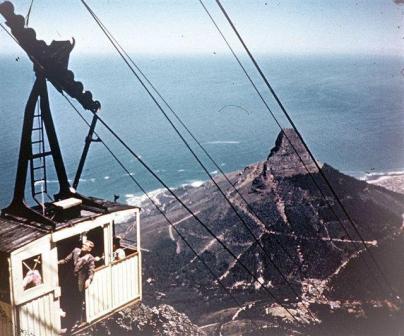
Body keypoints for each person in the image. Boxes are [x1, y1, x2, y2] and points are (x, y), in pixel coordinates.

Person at [58, 240, 95, 330]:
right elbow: (66, 260)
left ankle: (77, 321)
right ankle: (68, 318)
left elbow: (91, 271)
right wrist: (57, 262)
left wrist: (89, 280)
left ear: (89, 249)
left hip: (80, 283)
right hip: (71, 281)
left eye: (85, 245)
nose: (83, 245)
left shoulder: (90, 258)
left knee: (78, 302)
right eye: (83, 244)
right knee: (70, 300)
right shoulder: (76, 251)